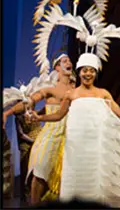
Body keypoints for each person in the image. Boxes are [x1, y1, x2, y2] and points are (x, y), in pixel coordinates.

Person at [31, 52, 120, 207]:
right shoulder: (71, 94)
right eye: (85, 70)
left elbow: (118, 111)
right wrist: (40, 118)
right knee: (77, 179)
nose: (88, 74)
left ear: (95, 72)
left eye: (92, 70)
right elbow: (59, 115)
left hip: (96, 147)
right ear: (79, 71)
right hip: (76, 147)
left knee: (97, 182)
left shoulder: (103, 93)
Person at [2, 54, 75, 205]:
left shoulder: (76, 88)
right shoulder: (50, 87)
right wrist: (8, 112)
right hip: (52, 133)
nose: (69, 62)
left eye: (69, 60)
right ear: (57, 67)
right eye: (64, 61)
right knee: (40, 171)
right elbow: (30, 101)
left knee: (65, 177)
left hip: (71, 135)